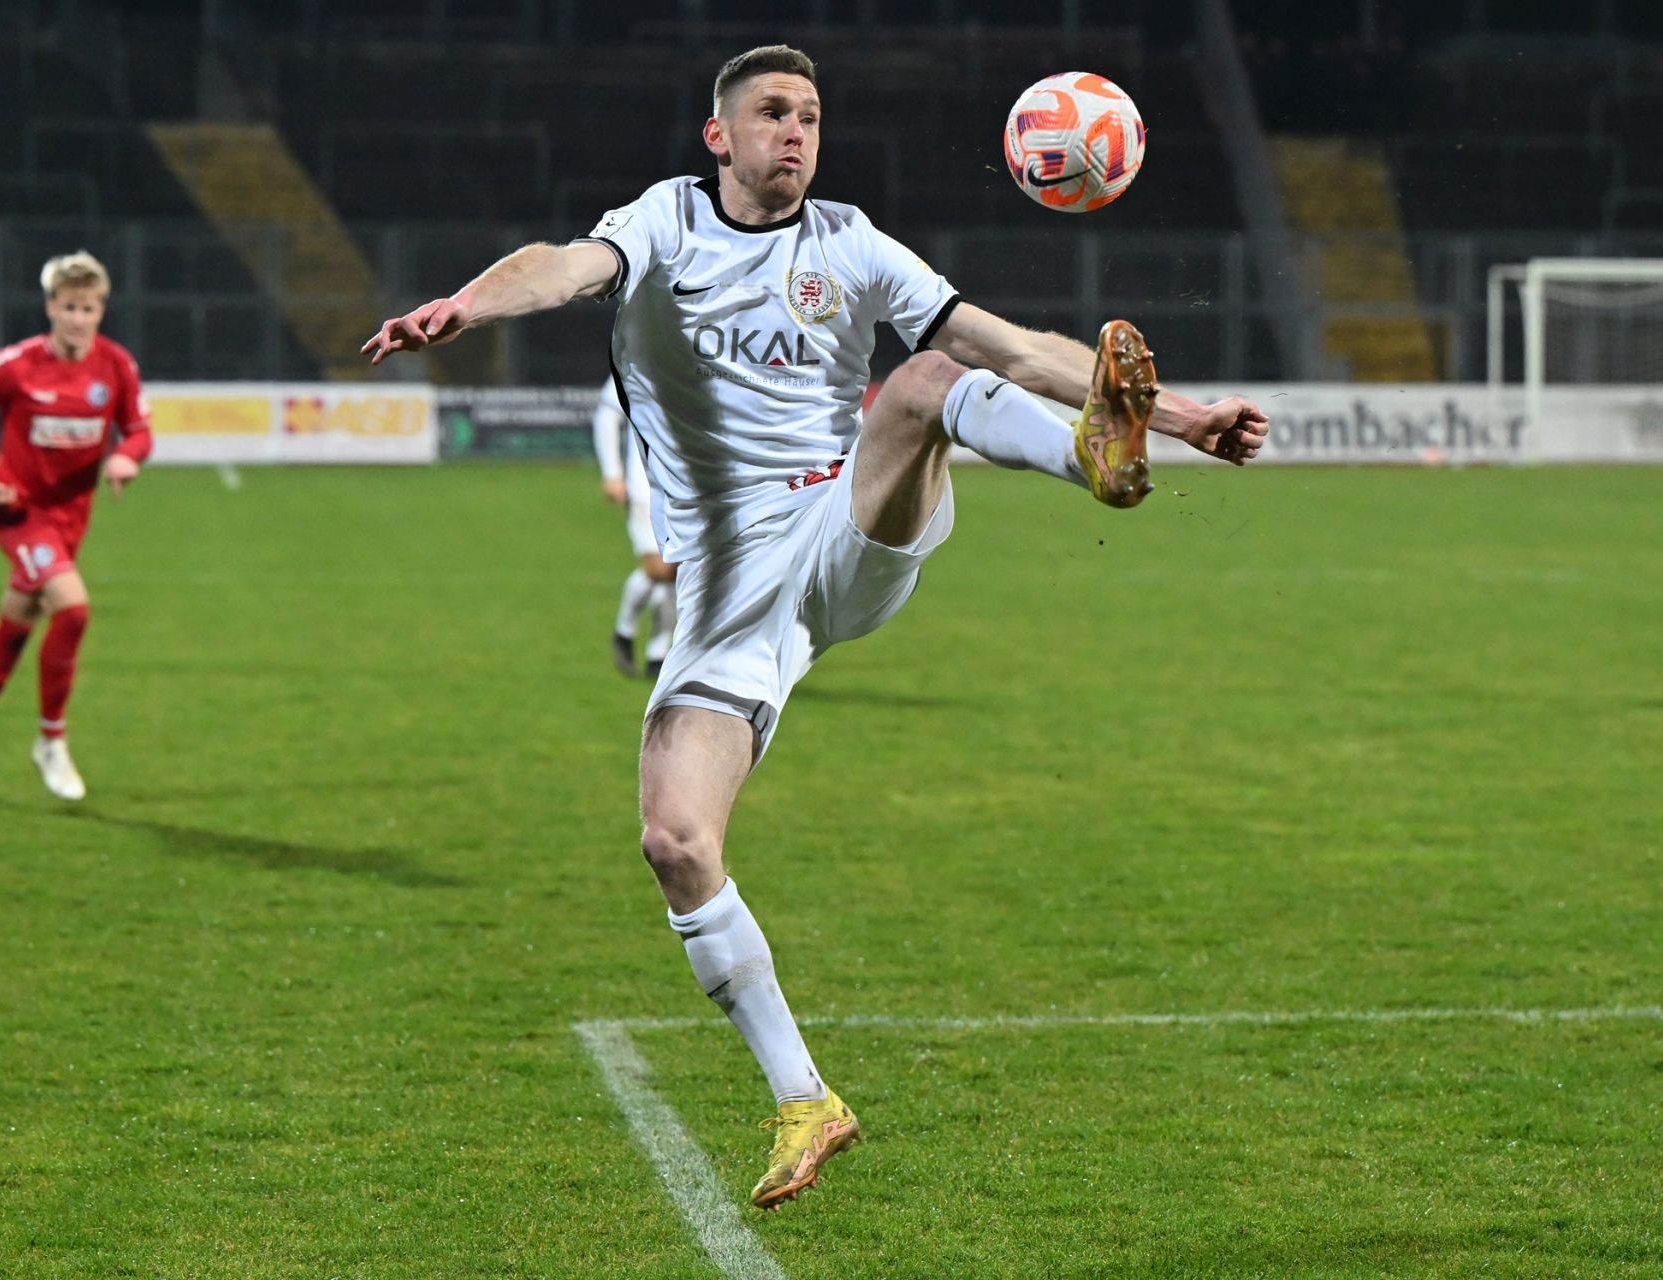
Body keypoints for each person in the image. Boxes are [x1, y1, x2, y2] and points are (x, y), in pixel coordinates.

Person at [364, 45, 1269, 1209]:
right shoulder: (663, 225)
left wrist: (1182, 418)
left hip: (844, 524)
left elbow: (1010, 345)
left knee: (925, 379)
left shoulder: (852, 242)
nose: (796, 131)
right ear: (719, 136)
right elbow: (561, 264)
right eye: (773, 112)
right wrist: (466, 303)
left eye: (811, 115)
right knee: (675, 839)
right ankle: (805, 1098)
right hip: (732, 592)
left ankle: (1093, 458)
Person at [0, 250, 153, 802]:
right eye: (68, 307)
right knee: (73, 609)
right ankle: (51, 741)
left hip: (71, 519)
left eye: (88, 308)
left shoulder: (116, 366)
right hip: (19, 511)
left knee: (20, 619)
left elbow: (138, 431)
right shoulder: (16, 365)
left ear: (101, 310)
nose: (78, 318)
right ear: (50, 307)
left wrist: (125, 457)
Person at [593, 376, 678, 678]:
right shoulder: (639, 353)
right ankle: (625, 630)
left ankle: (658, 654)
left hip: (691, 487)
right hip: (646, 484)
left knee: (680, 570)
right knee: (662, 570)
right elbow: (607, 413)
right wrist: (613, 473)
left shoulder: (710, 358)